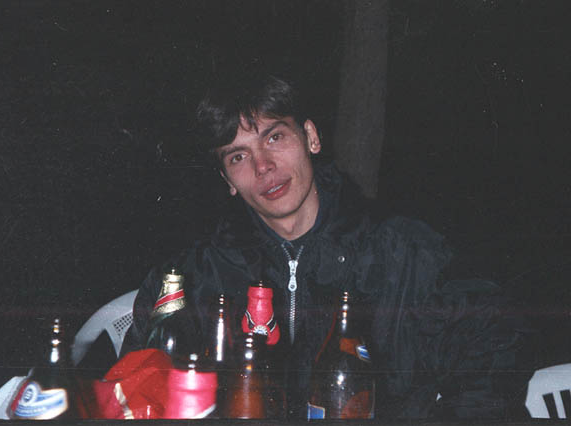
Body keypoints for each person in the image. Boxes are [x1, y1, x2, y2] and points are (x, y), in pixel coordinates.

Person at [120, 71, 534, 419]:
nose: (263, 166)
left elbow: (494, 356)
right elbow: (135, 389)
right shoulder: (192, 278)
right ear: (227, 181)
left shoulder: (403, 253)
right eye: (238, 157)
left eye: (274, 137)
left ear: (311, 138)